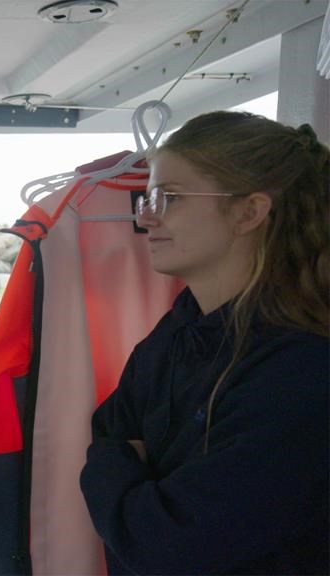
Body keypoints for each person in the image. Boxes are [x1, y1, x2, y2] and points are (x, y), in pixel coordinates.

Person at [79, 111, 329, 574]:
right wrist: (129, 481)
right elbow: (107, 436)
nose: (147, 216)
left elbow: (167, 545)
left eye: (169, 197)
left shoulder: (303, 369)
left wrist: (122, 476)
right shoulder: (179, 328)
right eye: (148, 198)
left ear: (248, 212)